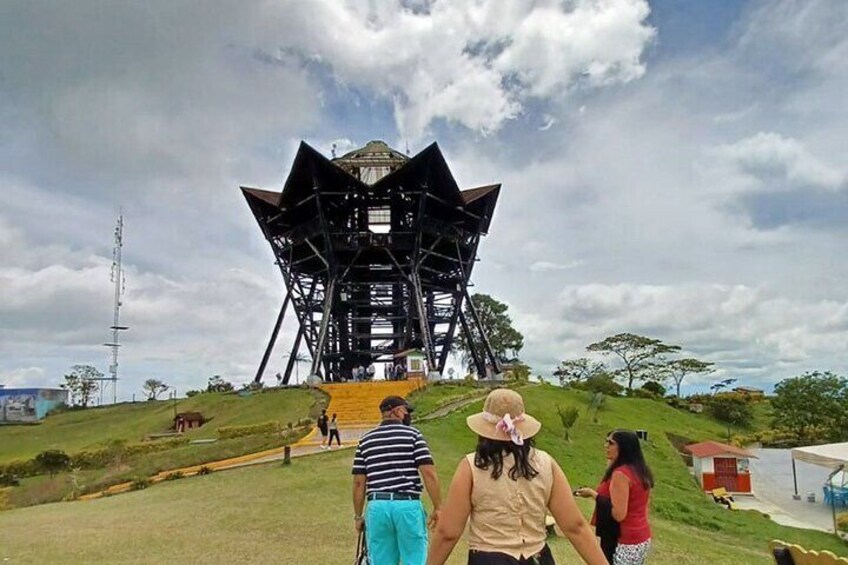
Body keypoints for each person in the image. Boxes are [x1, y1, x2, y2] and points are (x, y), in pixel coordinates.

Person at [427, 389, 608, 565]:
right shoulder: (546, 463)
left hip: (489, 558)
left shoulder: (471, 466)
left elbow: (448, 533)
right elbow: (575, 526)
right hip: (537, 557)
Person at [352, 395, 442, 565]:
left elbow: (359, 482)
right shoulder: (413, 435)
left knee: (381, 560)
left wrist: (358, 516)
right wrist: (438, 507)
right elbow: (428, 473)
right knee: (415, 558)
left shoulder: (366, 440)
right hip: (406, 504)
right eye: (406, 411)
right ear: (397, 411)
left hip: (377, 506)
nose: (408, 414)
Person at [576, 430, 653, 565]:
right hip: (642, 536)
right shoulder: (639, 470)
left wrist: (593, 494)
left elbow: (619, 514)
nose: (606, 446)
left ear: (623, 448)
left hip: (625, 540)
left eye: (611, 443)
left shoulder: (621, 474)